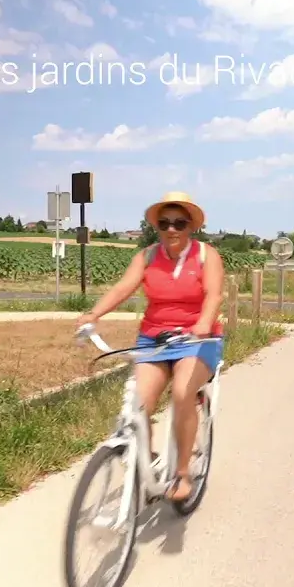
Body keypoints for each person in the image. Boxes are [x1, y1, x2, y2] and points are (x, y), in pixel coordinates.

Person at [76, 192, 224, 502]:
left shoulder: (206, 256)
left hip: (197, 339)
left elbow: (213, 295)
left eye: (179, 223)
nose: (172, 229)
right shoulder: (146, 257)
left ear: (190, 227)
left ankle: (182, 473)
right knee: (138, 404)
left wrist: (203, 323)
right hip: (154, 339)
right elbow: (122, 288)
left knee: (184, 392)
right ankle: (147, 457)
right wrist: (93, 314)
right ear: (156, 226)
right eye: (165, 223)